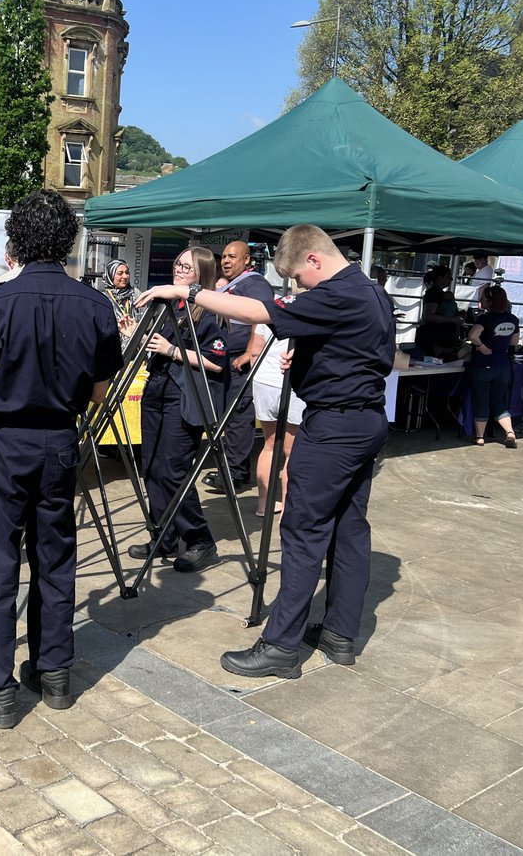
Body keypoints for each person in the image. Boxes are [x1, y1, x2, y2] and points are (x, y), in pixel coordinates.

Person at [138, 224, 394, 679]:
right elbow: (369, 352)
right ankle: (339, 633)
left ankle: (280, 646)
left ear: (314, 259)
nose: (299, 287)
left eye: (299, 277)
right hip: (367, 419)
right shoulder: (372, 292)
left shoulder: (335, 292)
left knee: (303, 531)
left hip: (334, 426)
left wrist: (188, 290)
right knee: (350, 529)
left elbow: (257, 309)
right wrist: (316, 355)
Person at [0, 189, 122, 729]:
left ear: (15, 241)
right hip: (60, 442)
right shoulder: (96, 305)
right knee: (56, 557)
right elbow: (99, 392)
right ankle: (54, 674)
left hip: (8, 442)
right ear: (67, 241)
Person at [127, 248, 227, 570]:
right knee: (152, 467)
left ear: (201, 275)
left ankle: (200, 540)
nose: (180, 270)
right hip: (156, 390)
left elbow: (217, 363)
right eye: (178, 263)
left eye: (188, 266)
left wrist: (173, 350)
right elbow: (156, 348)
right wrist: (135, 335)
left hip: (183, 397)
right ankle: (164, 537)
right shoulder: (171, 305)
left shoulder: (209, 310)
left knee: (173, 470)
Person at [202, 240, 274, 495]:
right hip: (225, 360)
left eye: (233, 257)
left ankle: (235, 475)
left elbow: (263, 316)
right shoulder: (234, 285)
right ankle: (231, 469)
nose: (226, 261)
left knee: (237, 417)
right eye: (224, 257)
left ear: (247, 260)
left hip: (240, 364)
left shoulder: (254, 284)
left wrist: (248, 351)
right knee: (229, 418)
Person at [249, 324, 306, 518]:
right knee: (292, 452)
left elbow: (255, 352)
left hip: (263, 382)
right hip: (290, 383)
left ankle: (264, 504)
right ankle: (288, 509)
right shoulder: (313, 308)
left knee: (269, 445)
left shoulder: (270, 310)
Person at [468, 285, 520, 448]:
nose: (480, 300)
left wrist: (481, 347)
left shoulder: (485, 319)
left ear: (490, 301)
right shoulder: (513, 319)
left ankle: (480, 437)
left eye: (483, 298)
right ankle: (510, 433)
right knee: (499, 401)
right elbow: (514, 342)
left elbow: (472, 335)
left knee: (482, 401)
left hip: (483, 365)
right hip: (503, 364)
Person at [414, 266, 463, 358]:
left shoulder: (438, 293)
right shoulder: (434, 293)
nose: (451, 279)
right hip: (434, 338)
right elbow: (429, 316)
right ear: (439, 277)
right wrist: (453, 320)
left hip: (439, 338)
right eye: (448, 277)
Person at [102, 257, 142, 342]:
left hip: (135, 346)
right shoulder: (103, 297)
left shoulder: (135, 293)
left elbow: (146, 321)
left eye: (127, 273)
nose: (125, 276)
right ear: (110, 275)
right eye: (120, 273)